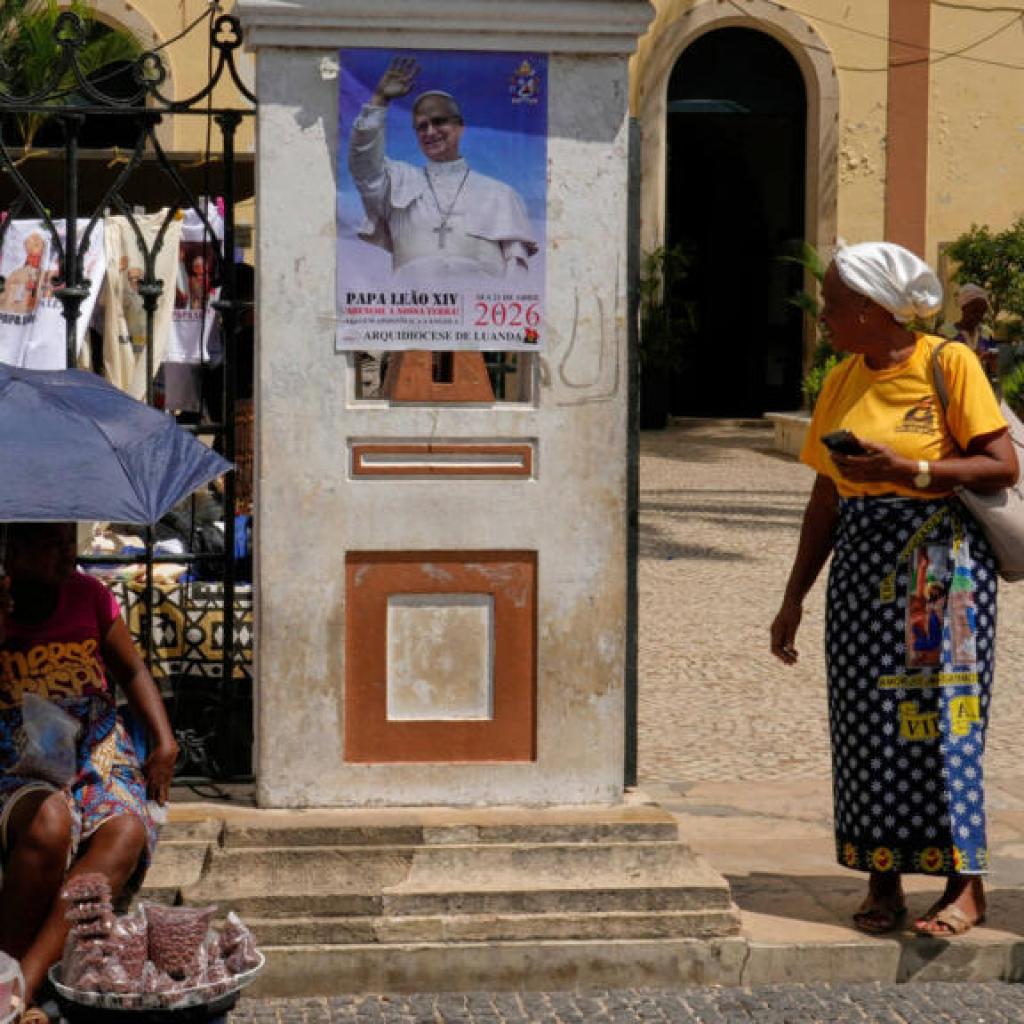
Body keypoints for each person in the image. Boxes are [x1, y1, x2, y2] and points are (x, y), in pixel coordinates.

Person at [770, 242, 1017, 939]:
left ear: (875, 309)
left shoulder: (948, 362)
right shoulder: (842, 378)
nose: (822, 316)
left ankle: (964, 885)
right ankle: (884, 878)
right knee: (864, 723)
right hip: (860, 572)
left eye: (832, 305)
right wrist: (793, 598)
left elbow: (998, 465)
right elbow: (824, 494)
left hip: (942, 570)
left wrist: (907, 466)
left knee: (947, 716)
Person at [0, 523, 179, 1019]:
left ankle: (20, 988)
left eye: (66, 544)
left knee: (124, 830)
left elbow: (132, 670)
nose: (64, 556)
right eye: (49, 546)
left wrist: (163, 740)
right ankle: (5, 968)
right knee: (49, 823)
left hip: (95, 746)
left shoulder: (91, 597)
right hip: (17, 750)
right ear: (13, 552)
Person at [347, 55, 538, 280]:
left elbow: (517, 273)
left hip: (478, 309)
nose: (430, 132)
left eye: (439, 122)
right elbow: (363, 161)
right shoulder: (397, 181)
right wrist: (379, 100)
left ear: (460, 127)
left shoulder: (500, 194)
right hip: (411, 311)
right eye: (422, 127)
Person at [943, 283, 998, 382]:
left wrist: (991, 361)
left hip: (980, 386)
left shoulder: (986, 333)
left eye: (982, 311)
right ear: (964, 307)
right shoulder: (946, 332)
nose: (979, 315)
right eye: (975, 310)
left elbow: (992, 368)